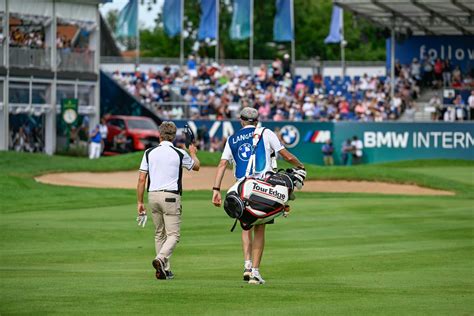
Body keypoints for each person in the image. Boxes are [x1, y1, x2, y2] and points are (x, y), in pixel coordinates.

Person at [212, 107, 305, 285]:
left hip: (242, 188)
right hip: (265, 186)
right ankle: (255, 271)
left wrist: (216, 189)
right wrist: (300, 166)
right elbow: (286, 155)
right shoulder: (266, 132)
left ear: (241, 120)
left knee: (246, 226)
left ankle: (247, 266)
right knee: (260, 228)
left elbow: (222, 164)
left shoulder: (232, 139)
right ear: (257, 120)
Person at [136, 121, 200, 280]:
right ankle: (160, 259)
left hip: (153, 196)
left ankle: (165, 269)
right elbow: (196, 166)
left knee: (159, 234)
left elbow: (141, 179)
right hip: (171, 196)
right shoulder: (179, 153)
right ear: (173, 137)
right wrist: (192, 153)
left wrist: (139, 202)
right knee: (173, 235)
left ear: (159, 135)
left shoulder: (149, 152)